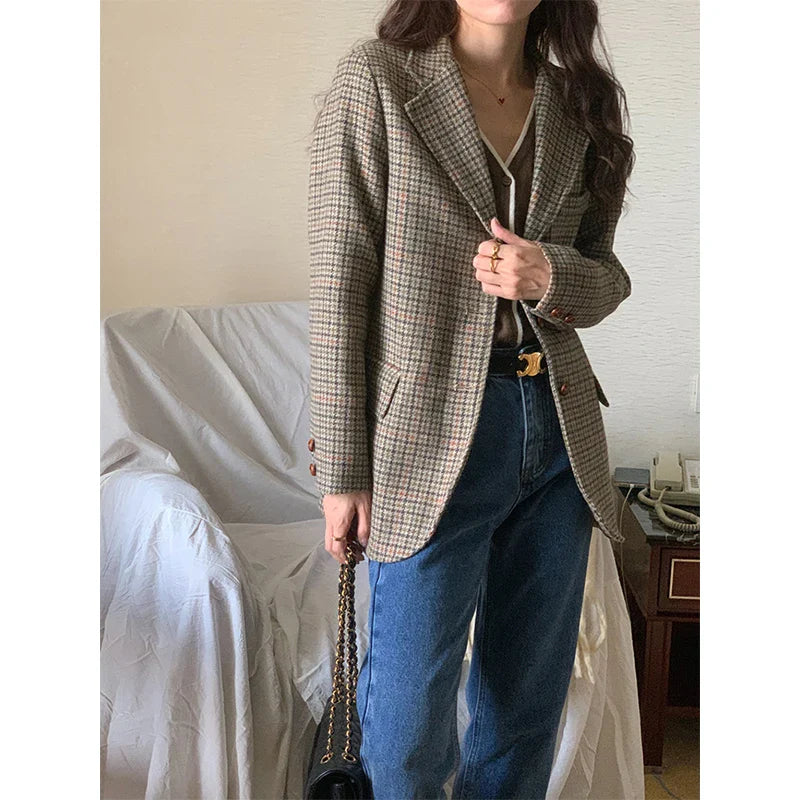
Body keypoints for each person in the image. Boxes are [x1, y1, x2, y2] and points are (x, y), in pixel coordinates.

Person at [306, 1, 634, 797]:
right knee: (407, 730)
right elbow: (339, 282)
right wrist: (343, 473)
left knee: (524, 716)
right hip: (426, 439)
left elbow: (608, 276)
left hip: (557, 430)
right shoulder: (377, 80)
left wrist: (551, 275)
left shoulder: (578, 101)